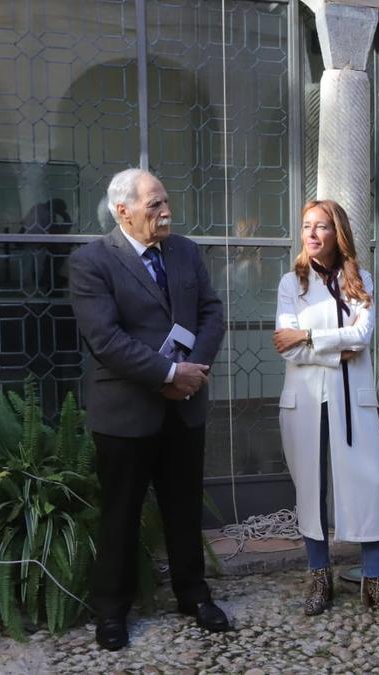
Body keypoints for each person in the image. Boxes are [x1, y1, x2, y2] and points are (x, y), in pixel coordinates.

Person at [69, 168, 231, 651]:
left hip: (185, 407)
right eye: (155, 205)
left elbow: (211, 312)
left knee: (184, 508)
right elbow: (104, 338)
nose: (166, 212)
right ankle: (111, 611)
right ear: (123, 211)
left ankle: (193, 593)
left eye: (166, 202)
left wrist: (192, 369)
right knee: (121, 512)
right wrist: (166, 374)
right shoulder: (92, 261)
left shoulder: (184, 250)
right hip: (126, 412)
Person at [274, 199, 379, 620]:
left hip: (354, 402)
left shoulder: (361, 279)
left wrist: (307, 337)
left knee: (370, 488)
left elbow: (362, 337)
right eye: (306, 226)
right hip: (305, 403)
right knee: (310, 491)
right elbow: (284, 346)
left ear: (339, 234)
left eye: (322, 227)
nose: (312, 234)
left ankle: (378, 582)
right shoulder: (288, 284)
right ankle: (319, 578)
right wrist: (332, 346)